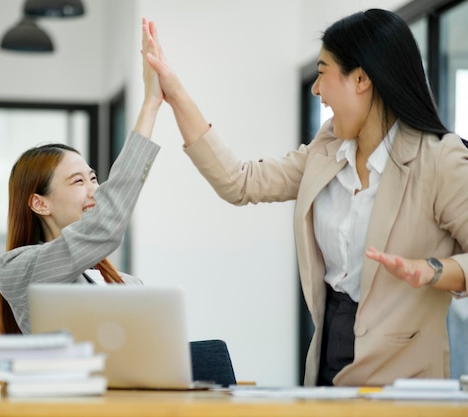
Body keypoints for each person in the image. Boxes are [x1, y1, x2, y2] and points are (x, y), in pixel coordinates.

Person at [142, 9, 468, 387]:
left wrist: (434, 270)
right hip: (327, 360)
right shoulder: (327, 150)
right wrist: (174, 92)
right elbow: (239, 181)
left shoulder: (439, 159)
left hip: (406, 377)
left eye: (323, 70)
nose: (315, 88)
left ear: (360, 78)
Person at [0, 21, 163, 335]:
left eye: (93, 178)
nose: (95, 192)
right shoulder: (19, 270)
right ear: (39, 203)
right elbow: (105, 228)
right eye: (77, 181)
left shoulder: (128, 285)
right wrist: (151, 104)